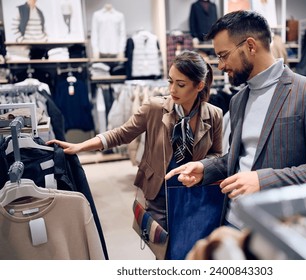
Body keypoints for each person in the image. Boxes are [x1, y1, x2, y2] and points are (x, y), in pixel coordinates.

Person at [165, 10, 306, 229]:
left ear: (250, 45)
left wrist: (263, 180)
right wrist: (204, 168)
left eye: (223, 55)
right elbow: (239, 158)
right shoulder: (239, 99)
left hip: (279, 229)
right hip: (232, 221)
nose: (220, 65)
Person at [47, 50, 223, 259]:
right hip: (160, 194)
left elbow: (216, 155)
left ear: (200, 85)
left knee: (189, 249)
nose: (172, 89)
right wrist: (80, 146)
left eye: (181, 84)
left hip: (193, 193)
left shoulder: (214, 115)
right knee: (165, 251)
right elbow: (121, 134)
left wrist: (201, 167)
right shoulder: (155, 108)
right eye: (170, 81)